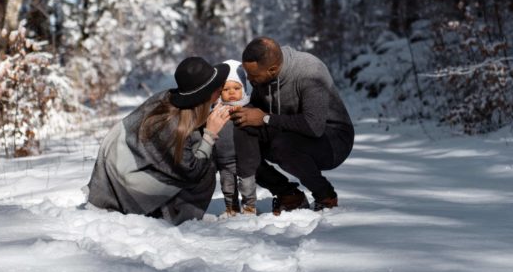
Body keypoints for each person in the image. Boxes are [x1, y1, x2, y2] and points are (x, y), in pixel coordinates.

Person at [86, 56, 232, 225]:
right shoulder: (174, 126)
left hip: (119, 168)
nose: (221, 91)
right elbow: (193, 172)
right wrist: (210, 134)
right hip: (127, 185)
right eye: (218, 89)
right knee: (206, 171)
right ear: (205, 96)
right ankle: (170, 216)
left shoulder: (166, 97)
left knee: (200, 149)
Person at [229, 36, 354, 214]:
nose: (248, 79)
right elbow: (257, 111)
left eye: (253, 75)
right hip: (286, 131)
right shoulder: (262, 75)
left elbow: (314, 126)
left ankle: (325, 196)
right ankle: (289, 195)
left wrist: (265, 118)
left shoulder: (310, 71)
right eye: (247, 73)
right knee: (235, 140)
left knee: (283, 145)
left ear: (272, 69)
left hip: (333, 140)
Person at [212, 60, 257, 216]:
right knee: (227, 186)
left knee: (247, 185)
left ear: (244, 88)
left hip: (245, 156)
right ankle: (231, 208)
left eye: (236, 88)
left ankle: (249, 207)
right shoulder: (216, 109)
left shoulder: (249, 108)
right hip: (224, 158)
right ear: (219, 91)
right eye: (226, 89)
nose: (231, 92)